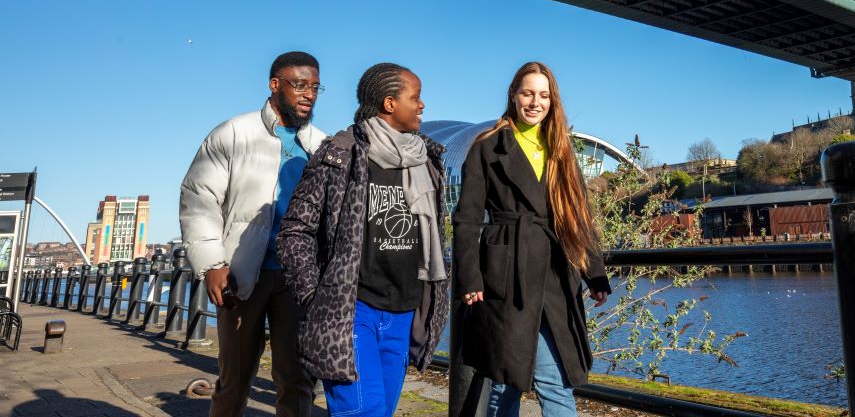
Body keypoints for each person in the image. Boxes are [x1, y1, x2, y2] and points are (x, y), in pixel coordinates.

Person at [277, 63, 450, 417]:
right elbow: (295, 230)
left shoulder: (427, 160)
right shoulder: (340, 153)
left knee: (381, 411)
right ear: (389, 103)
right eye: (414, 98)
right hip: (352, 310)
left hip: (403, 310)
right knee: (362, 412)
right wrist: (316, 297)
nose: (421, 106)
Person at [453, 61, 611, 417]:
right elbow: (467, 216)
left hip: (556, 274)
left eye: (543, 95)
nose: (535, 102)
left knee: (537, 380)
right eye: (527, 93)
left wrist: (595, 273)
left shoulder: (561, 148)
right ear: (513, 95)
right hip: (506, 275)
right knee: (512, 380)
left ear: (552, 101)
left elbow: (577, 214)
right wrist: (470, 277)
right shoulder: (487, 146)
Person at [179, 51, 327, 417]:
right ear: (274, 85)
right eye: (299, 85)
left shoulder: (324, 146)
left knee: (297, 380)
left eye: (315, 87)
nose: (308, 94)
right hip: (241, 273)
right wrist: (212, 262)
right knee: (234, 379)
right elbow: (200, 198)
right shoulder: (233, 133)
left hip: (298, 278)